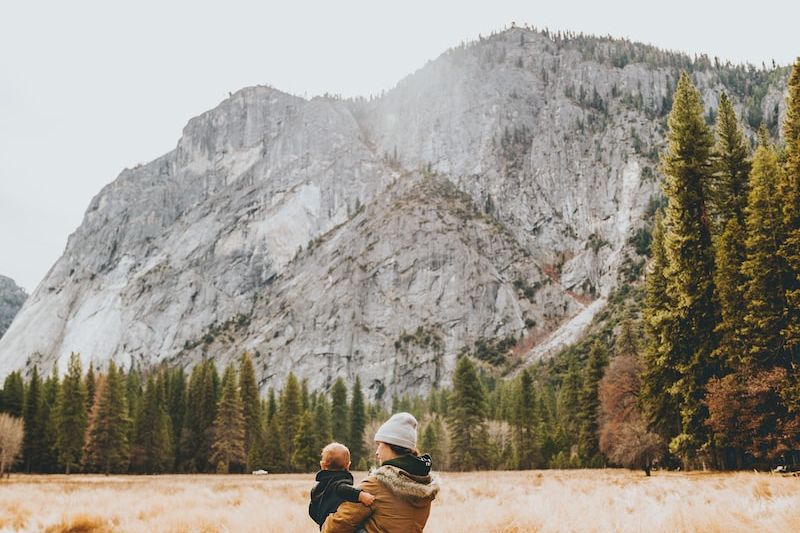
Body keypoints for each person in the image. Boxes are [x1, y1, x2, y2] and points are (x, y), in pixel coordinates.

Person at [322, 412, 439, 533]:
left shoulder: (377, 484)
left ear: (392, 445)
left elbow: (334, 527)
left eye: (379, 445)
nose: (377, 452)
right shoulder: (424, 483)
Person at [309, 442, 376, 529]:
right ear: (348, 466)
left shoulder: (316, 489)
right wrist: (361, 496)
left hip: (325, 527)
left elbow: (311, 511)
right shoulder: (339, 483)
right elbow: (343, 489)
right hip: (340, 525)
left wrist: (322, 520)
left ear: (322, 465)